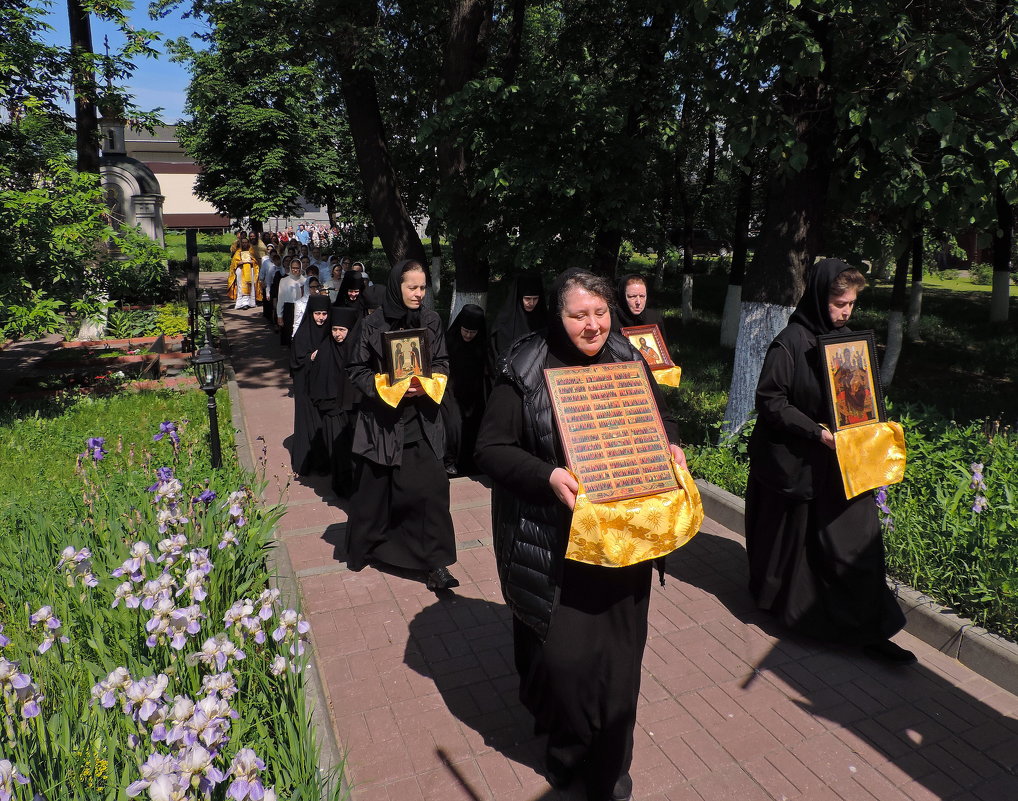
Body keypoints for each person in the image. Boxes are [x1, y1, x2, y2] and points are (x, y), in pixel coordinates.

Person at [474, 269, 687, 801]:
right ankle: (567, 752)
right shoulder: (524, 367)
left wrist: (671, 447)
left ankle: (612, 767)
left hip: (623, 548)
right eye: (578, 315)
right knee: (565, 666)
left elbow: (658, 421)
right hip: (555, 552)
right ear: (557, 315)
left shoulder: (626, 357)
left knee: (620, 665)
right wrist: (546, 476)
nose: (592, 326)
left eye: (600, 312)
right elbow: (491, 450)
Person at [745, 258, 913, 664]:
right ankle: (797, 614)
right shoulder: (790, 342)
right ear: (820, 298)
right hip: (797, 462)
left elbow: (860, 397)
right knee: (796, 544)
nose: (845, 312)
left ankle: (870, 629)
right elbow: (770, 401)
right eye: (839, 304)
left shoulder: (848, 344)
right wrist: (815, 430)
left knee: (858, 542)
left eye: (852, 305)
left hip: (843, 463)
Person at [344, 260, 459, 591]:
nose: (419, 294)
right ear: (397, 287)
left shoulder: (431, 320)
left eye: (423, 288)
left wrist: (428, 383)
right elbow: (356, 368)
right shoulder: (372, 324)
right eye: (413, 287)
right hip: (383, 422)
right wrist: (388, 387)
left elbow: (441, 362)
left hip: (423, 419)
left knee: (433, 490)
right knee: (375, 492)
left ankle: (436, 564)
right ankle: (366, 549)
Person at [310, 307, 361, 497]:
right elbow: (316, 383)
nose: (337, 334)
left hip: (353, 410)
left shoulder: (357, 351)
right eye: (334, 329)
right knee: (339, 452)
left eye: (342, 330)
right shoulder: (325, 350)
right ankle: (342, 487)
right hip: (332, 411)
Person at [442, 304, 488, 476]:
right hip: (451, 392)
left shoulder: (483, 344)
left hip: (474, 395)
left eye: (472, 332)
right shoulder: (449, 341)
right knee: (453, 427)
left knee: (473, 427)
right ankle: (449, 461)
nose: (468, 335)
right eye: (465, 330)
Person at [290, 294, 332, 475]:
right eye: (317, 313)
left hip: (324, 387)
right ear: (310, 313)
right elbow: (295, 362)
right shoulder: (302, 334)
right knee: (308, 422)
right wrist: (311, 357)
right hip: (305, 387)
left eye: (324, 313)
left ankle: (324, 463)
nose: (321, 318)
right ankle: (306, 462)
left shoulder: (330, 331)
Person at [489, 271, 548, 366]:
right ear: (519, 298)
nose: (532, 303)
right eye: (527, 299)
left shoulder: (544, 322)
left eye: (535, 299)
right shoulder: (504, 326)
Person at [276, 258, 305, 347]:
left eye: (297, 268)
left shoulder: (305, 280)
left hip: (301, 309)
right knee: (289, 335)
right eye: (293, 268)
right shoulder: (284, 281)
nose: (295, 270)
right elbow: (280, 298)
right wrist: (279, 316)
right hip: (288, 309)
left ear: (301, 268)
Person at [228, 238, 259, 309]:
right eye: (243, 242)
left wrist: (252, 262)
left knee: (250, 286)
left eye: (246, 242)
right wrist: (239, 262)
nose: (244, 244)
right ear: (241, 243)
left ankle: (250, 303)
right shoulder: (238, 252)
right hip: (241, 270)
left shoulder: (251, 251)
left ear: (248, 243)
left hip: (250, 270)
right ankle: (240, 303)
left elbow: (256, 261)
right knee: (240, 286)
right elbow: (234, 263)